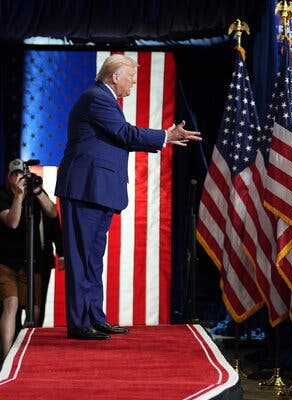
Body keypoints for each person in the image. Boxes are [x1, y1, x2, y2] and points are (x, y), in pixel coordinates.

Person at [55, 54, 201, 340]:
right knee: (81, 257)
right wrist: (165, 136)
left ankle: (94, 317)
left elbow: (119, 138)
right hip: (84, 189)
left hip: (98, 191)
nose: (134, 81)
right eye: (131, 75)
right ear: (114, 76)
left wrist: (164, 137)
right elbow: (124, 134)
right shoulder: (97, 98)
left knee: (93, 259)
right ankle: (79, 323)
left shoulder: (105, 100)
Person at [0, 158, 58, 357]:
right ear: (9, 178)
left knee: (34, 310)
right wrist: (18, 196)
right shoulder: (3, 195)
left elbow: (52, 213)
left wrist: (37, 192)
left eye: (21, 174)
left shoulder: (35, 195)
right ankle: (7, 355)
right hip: (6, 261)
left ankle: (26, 352)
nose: (19, 178)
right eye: (15, 175)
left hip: (32, 261)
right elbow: (13, 222)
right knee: (11, 304)